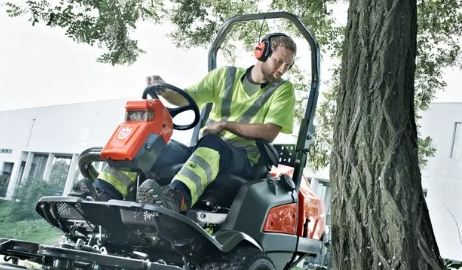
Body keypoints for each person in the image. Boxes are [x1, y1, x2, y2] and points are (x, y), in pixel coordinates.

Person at [73, 33, 297, 212]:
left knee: (212, 141)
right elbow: (187, 98)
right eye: (278, 61)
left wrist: (225, 125)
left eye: (287, 66)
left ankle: (175, 197)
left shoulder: (283, 91)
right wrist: (165, 90)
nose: (281, 70)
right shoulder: (224, 76)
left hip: (244, 159)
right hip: (207, 150)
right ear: (262, 51)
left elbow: (269, 132)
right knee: (149, 143)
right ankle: (102, 193)